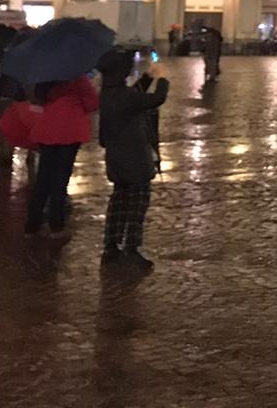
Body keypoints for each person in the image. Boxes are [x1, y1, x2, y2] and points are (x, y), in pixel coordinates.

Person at [98, 50, 170, 269]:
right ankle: (131, 248)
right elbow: (155, 99)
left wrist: (148, 77)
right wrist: (163, 79)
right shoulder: (125, 97)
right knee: (137, 205)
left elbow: (134, 96)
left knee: (118, 203)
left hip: (117, 159)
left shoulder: (108, 93)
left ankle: (111, 246)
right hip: (136, 160)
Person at [25, 74, 99, 237]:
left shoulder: (46, 77)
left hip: (48, 128)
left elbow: (37, 97)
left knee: (43, 178)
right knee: (61, 178)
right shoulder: (77, 77)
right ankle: (56, 225)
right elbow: (92, 102)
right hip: (70, 130)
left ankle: (32, 224)